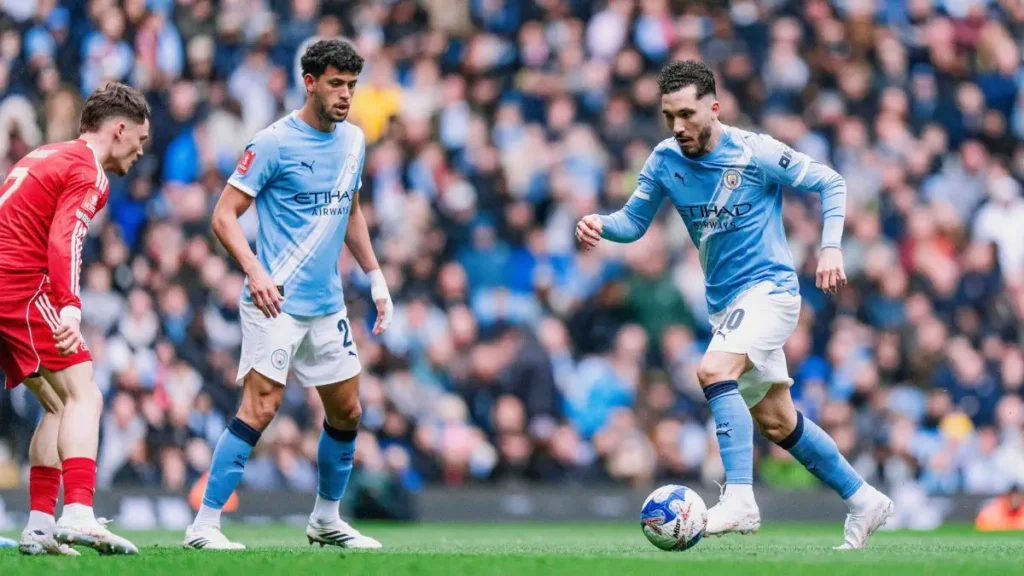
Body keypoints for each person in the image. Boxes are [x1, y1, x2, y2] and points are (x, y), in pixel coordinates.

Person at [575, 60, 893, 549]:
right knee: (777, 421)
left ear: (714, 107)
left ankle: (741, 499)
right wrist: (600, 222)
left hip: (770, 292)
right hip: (726, 308)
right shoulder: (664, 160)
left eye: (686, 114)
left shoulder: (754, 151)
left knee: (712, 370)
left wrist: (831, 246)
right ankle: (864, 498)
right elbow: (634, 222)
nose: (678, 126)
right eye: (668, 117)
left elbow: (830, 181)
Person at [184, 39, 392, 551]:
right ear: (310, 82)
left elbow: (352, 208)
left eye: (351, 85)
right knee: (260, 408)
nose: (346, 95)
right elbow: (222, 215)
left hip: (326, 303)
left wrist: (376, 275)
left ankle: (325, 519)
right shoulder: (273, 143)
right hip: (274, 299)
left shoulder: (353, 142)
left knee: (348, 411)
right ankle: (204, 525)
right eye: (336, 84)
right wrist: (254, 271)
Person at [0, 82, 149, 556]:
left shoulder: (49, 153)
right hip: (17, 282)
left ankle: (39, 529)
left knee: (59, 405)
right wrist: (69, 304)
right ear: (119, 129)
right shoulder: (89, 172)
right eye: (140, 140)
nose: (141, 151)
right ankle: (79, 514)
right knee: (86, 394)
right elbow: (66, 239)